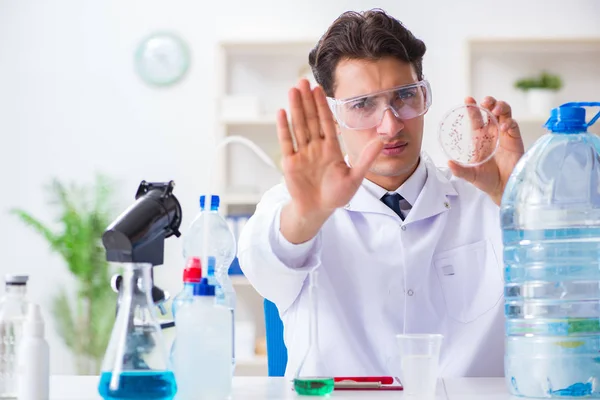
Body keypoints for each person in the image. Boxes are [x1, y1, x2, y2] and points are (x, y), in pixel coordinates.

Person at [238, 8, 524, 378]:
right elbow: (262, 265)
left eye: (405, 96)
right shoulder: (296, 207)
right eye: (362, 105)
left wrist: (523, 201)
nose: (391, 125)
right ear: (333, 116)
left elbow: (572, 300)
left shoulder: (489, 199)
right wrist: (309, 215)